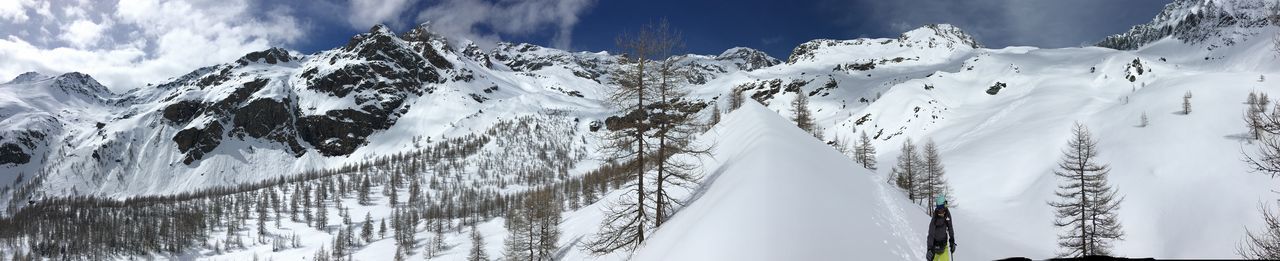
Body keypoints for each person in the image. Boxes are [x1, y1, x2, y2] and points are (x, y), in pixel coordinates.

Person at [926, 194, 956, 261]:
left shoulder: (947, 214)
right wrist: (929, 249)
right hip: (934, 247)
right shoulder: (935, 218)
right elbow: (931, 234)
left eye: (942, 209)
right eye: (939, 209)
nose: (941, 212)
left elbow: (950, 227)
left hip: (944, 246)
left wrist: (952, 240)